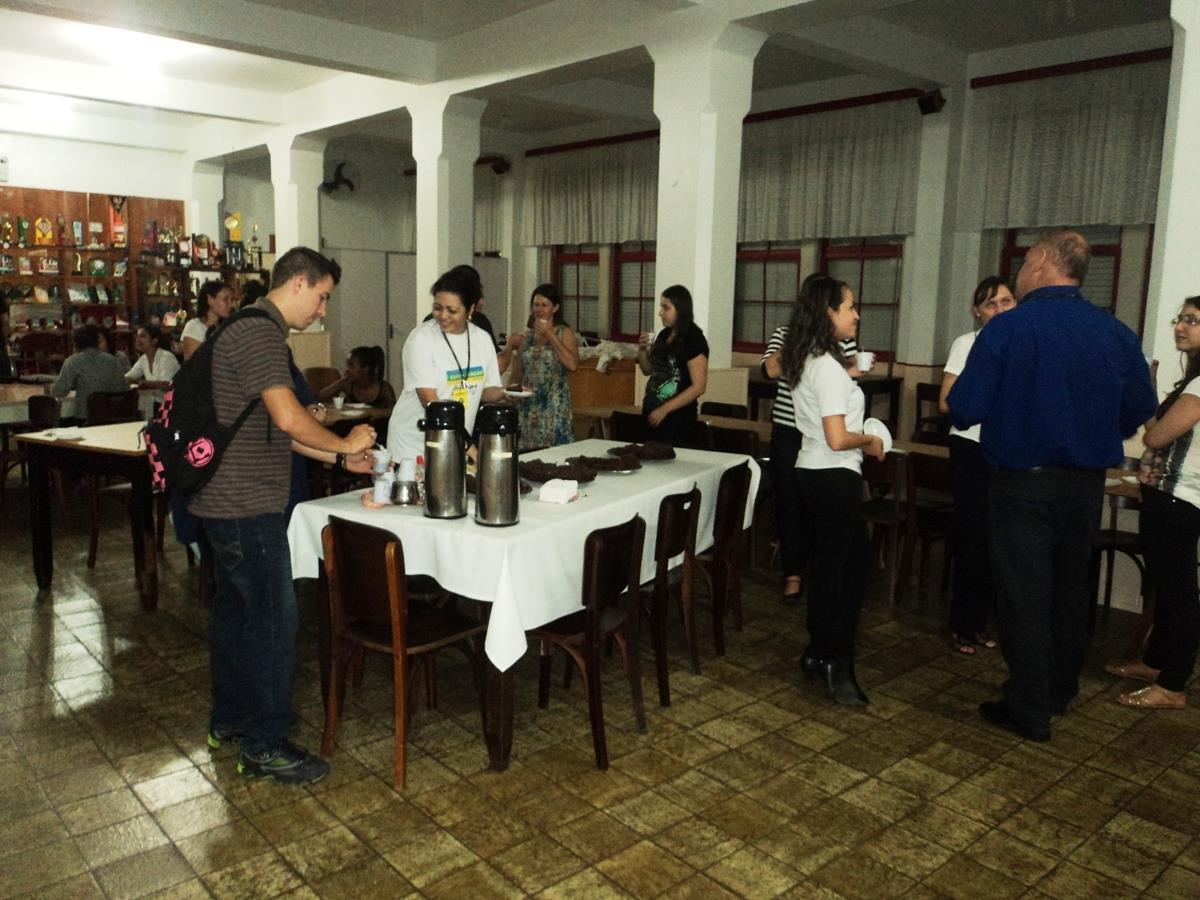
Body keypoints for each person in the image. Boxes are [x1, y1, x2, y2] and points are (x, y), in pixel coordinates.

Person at [948, 230, 1156, 742]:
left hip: (1023, 483)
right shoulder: (1114, 333)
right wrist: (1098, 427)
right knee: (1069, 590)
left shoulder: (1008, 330)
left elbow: (965, 406)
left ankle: (1028, 707)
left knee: (1024, 594)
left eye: (1023, 261)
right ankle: (1060, 690)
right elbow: (1141, 407)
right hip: (1087, 487)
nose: (1018, 271)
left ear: (1041, 262)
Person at [190, 247, 377, 784]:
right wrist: (344, 444)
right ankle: (265, 743)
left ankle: (229, 720)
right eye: (321, 298)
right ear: (298, 283)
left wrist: (344, 458)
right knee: (274, 620)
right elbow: (292, 419)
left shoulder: (245, 331)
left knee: (236, 616)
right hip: (245, 505)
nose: (322, 311)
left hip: (225, 502)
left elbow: (281, 435)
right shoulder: (261, 334)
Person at [782, 275, 883, 706]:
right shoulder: (824, 367)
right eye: (849, 307)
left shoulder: (811, 358)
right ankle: (837, 664)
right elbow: (839, 438)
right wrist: (873, 438)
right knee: (843, 577)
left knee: (837, 569)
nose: (856, 314)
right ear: (828, 313)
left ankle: (819, 651)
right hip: (833, 474)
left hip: (813, 471)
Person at [1107, 298, 1200, 709]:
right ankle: (1158, 663)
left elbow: (1157, 437)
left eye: (1193, 321)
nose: (1181, 326)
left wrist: (1151, 437)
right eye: (1180, 318)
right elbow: (1157, 434)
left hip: (1182, 499)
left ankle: (1174, 685)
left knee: (1179, 591)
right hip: (1167, 493)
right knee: (1166, 584)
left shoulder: (1199, 386)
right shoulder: (1190, 381)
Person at [761, 274, 863, 605]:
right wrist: (800, 340)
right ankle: (792, 573)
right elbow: (769, 371)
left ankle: (820, 573)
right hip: (789, 429)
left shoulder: (837, 342)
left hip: (822, 433)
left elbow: (841, 374)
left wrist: (853, 369)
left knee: (818, 510)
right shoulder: (784, 335)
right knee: (788, 500)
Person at [939, 276, 1017, 654]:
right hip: (971, 445)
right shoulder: (967, 344)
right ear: (978, 311)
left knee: (1000, 541)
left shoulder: (1024, 342)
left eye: (1006, 302)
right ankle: (963, 624)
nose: (1000, 310)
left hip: (1009, 449)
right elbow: (946, 402)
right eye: (991, 304)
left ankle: (984, 621)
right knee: (973, 536)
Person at [387, 268, 505, 466]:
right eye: (437, 307)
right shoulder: (422, 339)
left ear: (470, 309)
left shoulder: (482, 340)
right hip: (415, 443)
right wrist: (469, 447)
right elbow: (431, 403)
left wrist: (506, 393)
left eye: (452, 310)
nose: (443, 316)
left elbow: (485, 391)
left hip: (456, 440)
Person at [505, 284, 578, 449]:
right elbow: (518, 370)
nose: (539, 309)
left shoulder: (564, 332)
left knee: (555, 455)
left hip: (554, 406)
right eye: (536, 305)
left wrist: (549, 334)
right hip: (528, 406)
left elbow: (572, 364)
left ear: (555, 308)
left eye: (544, 305)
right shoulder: (527, 336)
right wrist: (512, 390)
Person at [637, 285, 709, 447]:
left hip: (677, 417)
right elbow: (648, 370)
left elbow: (698, 387)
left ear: (680, 310)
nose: (660, 313)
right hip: (652, 409)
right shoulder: (664, 335)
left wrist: (665, 409)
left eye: (666, 308)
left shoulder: (694, 339)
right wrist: (642, 351)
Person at [51, 324, 128, 415]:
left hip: (86, 418)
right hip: (114, 416)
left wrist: (52, 387)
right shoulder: (113, 360)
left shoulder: (72, 362)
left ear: (75, 344)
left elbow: (59, 392)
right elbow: (125, 389)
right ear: (96, 341)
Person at [317, 346, 396, 409]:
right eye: (347, 366)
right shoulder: (346, 384)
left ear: (365, 369)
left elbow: (396, 414)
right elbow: (318, 397)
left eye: (351, 366)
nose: (347, 370)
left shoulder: (384, 388)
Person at [182, 281, 234, 361]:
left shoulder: (227, 327)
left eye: (231, 300)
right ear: (210, 300)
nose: (230, 305)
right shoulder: (194, 326)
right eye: (225, 300)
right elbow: (195, 363)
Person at [125, 324, 180, 391]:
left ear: (154, 341)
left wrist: (144, 383)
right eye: (137, 336)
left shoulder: (166, 357)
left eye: (142, 336)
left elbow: (166, 385)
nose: (137, 340)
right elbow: (128, 377)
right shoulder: (143, 359)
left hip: (169, 400)